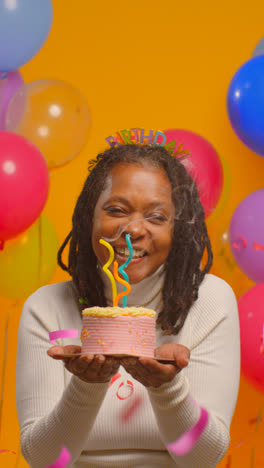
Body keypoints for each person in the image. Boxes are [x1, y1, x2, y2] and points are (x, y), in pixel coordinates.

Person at [15, 143, 240, 468]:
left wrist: (166, 388)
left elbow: (201, 460)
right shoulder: (47, 309)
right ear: (88, 216)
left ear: (176, 228)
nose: (134, 229)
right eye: (117, 210)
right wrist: (86, 385)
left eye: (157, 216)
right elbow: (47, 460)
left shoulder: (209, 302)